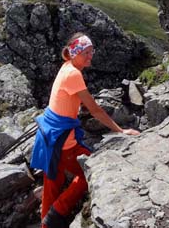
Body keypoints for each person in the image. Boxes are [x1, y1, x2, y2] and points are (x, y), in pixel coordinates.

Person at [30, 33, 140, 228]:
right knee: (91, 170)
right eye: (86, 52)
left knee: (52, 184)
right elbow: (95, 109)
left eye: (92, 52)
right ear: (75, 52)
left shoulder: (66, 68)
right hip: (63, 140)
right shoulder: (74, 74)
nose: (90, 56)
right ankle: (58, 212)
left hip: (49, 136)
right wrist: (120, 130)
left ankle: (47, 222)